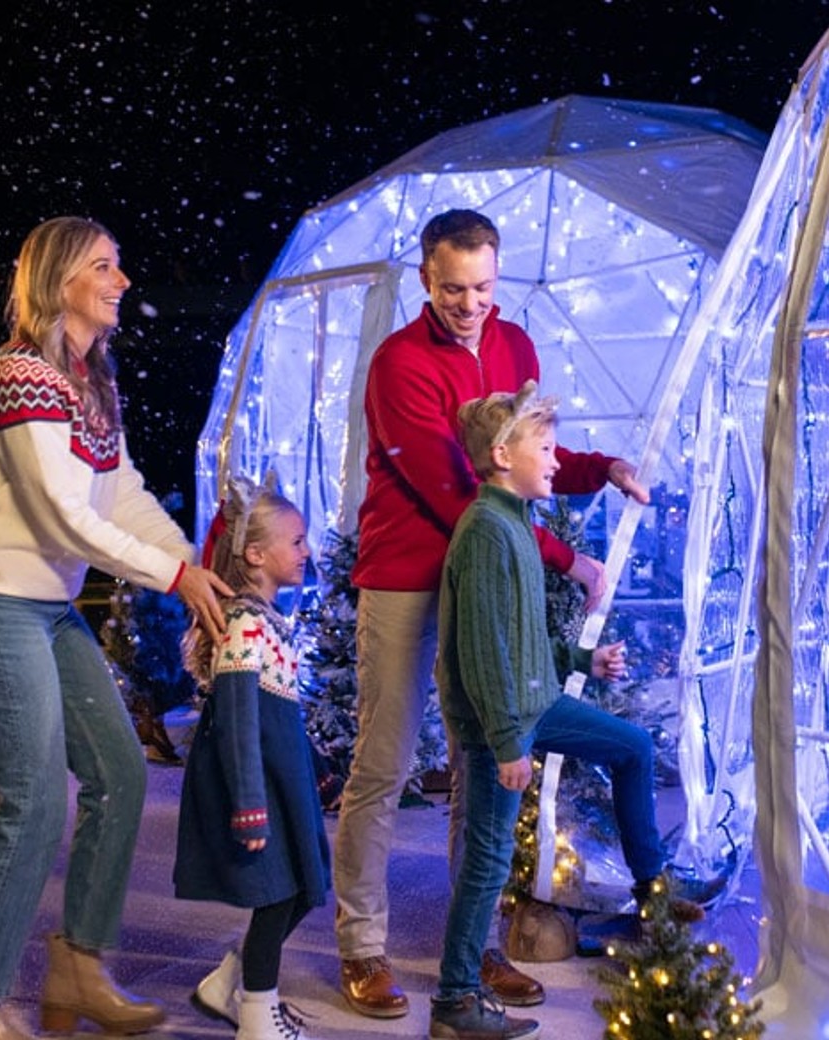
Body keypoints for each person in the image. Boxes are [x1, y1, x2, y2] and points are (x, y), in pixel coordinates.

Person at [333, 208, 651, 1018]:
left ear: (496, 277)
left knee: (482, 761)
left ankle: (469, 951)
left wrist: (598, 467)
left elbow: (523, 449)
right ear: (425, 280)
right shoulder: (399, 365)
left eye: (481, 287)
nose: (469, 304)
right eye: (451, 289)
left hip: (485, 571)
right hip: (410, 575)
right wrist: (565, 559)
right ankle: (362, 945)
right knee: (385, 762)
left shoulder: (514, 348)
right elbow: (459, 494)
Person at [0, 215, 231, 1040]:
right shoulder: (21, 376)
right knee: (30, 801)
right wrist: (171, 573)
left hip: (47, 608)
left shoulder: (89, 379)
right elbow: (64, 518)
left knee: (120, 775)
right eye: (106, 266)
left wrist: (190, 566)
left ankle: (77, 964)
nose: (123, 281)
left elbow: (121, 489)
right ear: (62, 282)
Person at [428, 383, 702, 1039]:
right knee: (489, 859)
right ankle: (454, 1000)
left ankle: (651, 897)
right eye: (545, 449)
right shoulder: (488, 531)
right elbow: (487, 649)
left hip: (535, 702)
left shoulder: (517, 522)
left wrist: (580, 663)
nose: (556, 462)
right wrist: (505, 745)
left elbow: (521, 637)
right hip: (508, 721)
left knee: (632, 747)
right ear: (501, 454)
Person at [175, 475, 330, 1040]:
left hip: (281, 780)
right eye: (296, 541)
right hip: (258, 785)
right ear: (256, 554)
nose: (306, 550)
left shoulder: (266, 622)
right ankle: (258, 1017)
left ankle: (232, 983)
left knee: (306, 887)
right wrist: (248, 803)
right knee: (281, 893)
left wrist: (314, 764)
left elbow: (278, 712)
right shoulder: (244, 625)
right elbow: (240, 718)